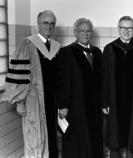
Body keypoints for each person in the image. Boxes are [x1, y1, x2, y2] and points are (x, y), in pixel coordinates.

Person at [0, 10, 60, 158]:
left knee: (51, 136)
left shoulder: (56, 47)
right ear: (38, 23)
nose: (49, 26)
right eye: (45, 22)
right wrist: (20, 102)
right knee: (35, 138)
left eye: (52, 23)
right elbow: (18, 74)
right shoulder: (27, 43)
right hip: (33, 100)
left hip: (52, 100)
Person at [57, 18, 103, 158]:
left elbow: (101, 79)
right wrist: (63, 105)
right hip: (76, 105)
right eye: (82, 31)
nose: (85, 34)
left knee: (94, 138)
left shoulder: (97, 52)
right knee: (76, 140)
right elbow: (62, 81)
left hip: (94, 106)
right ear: (75, 32)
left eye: (89, 31)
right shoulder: (66, 52)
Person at [102, 16, 133, 158]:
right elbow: (105, 78)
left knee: (131, 140)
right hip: (114, 101)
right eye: (123, 28)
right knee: (114, 138)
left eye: (129, 28)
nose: (126, 31)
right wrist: (105, 101)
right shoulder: (110, 49)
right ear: (118, 29)